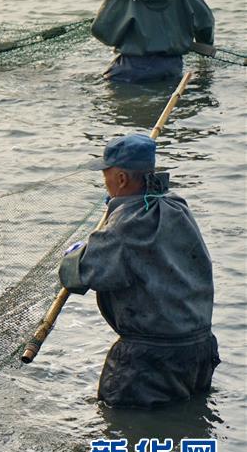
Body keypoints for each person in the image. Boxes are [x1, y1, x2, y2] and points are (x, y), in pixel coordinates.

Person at [58, 134, 219, 408]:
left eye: (106, 177)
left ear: (121, 179)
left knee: (124, 434)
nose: (104, 183)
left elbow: (76, 276)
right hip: (200, 350)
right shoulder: (178, 207)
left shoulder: (124, 227)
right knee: (183, 429)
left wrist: (75, 254)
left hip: (150, 361)